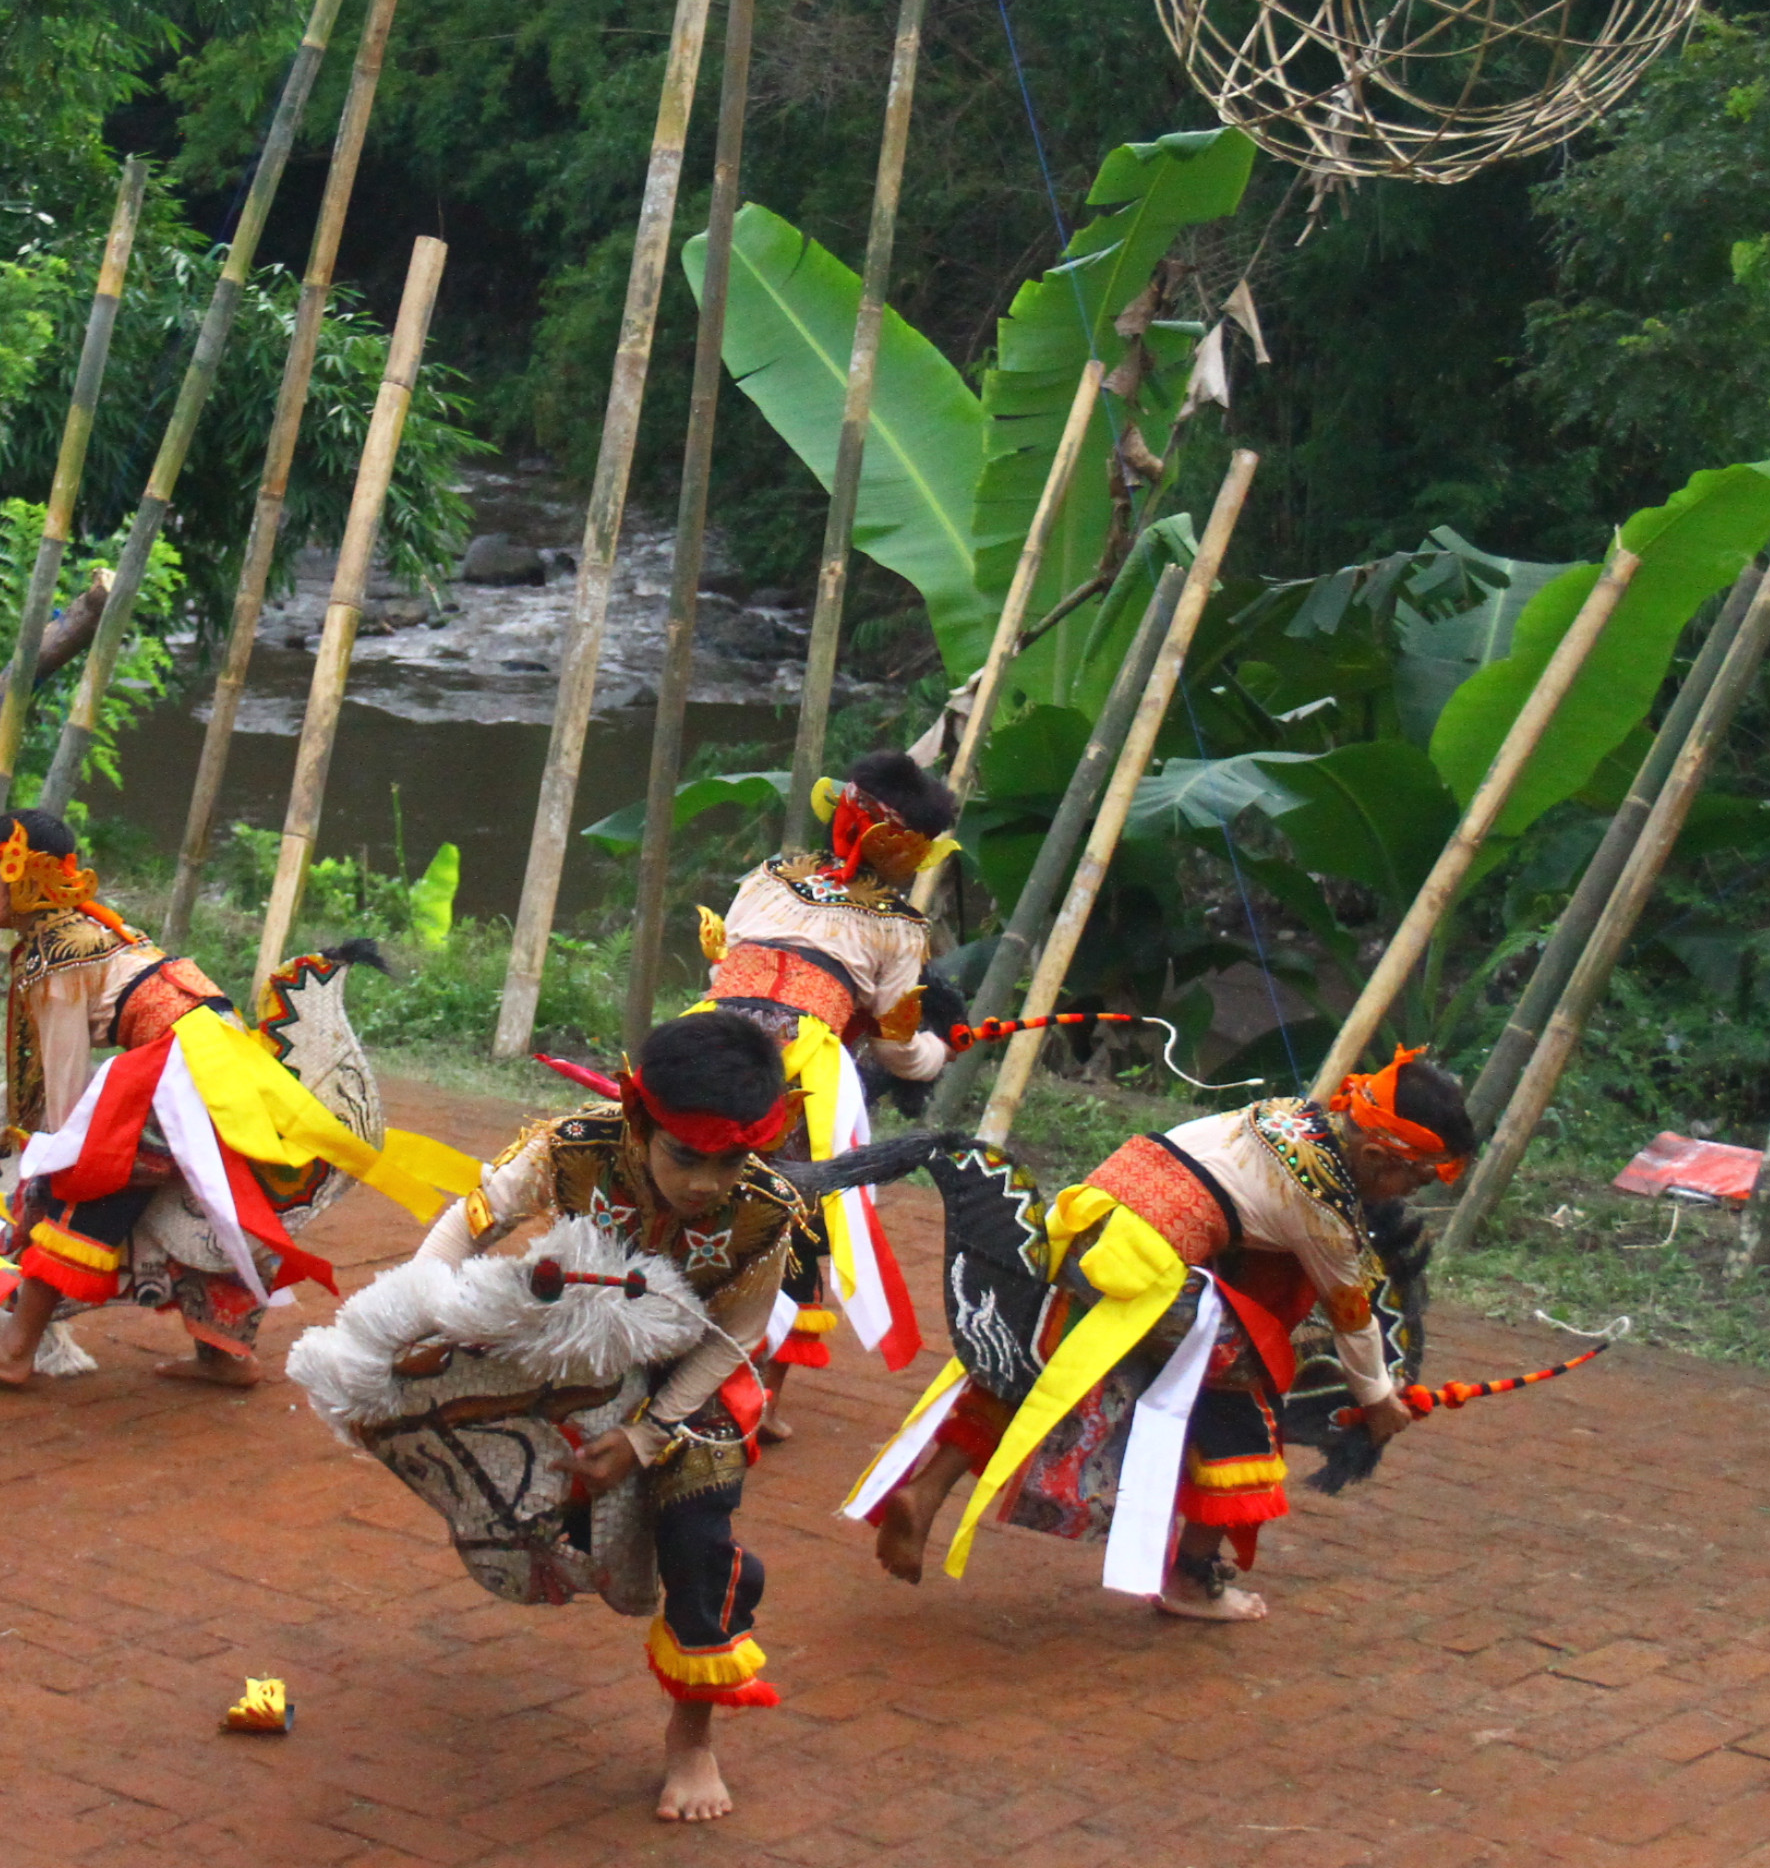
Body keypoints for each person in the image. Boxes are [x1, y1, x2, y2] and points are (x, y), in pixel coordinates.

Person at [853, 1049, 1469, 1621]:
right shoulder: (1324, 1204)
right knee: (1253, 1377)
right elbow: (1352, 1315)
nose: (1407, 1197)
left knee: (1045, 1367)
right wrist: (1377, 1400)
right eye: (1411, 1183)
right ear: (1376, 1157)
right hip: (1146, 1272)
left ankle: (928, 1492)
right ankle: (1192, 1577)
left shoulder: (1287, 1113)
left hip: (1088, 1218)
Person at [414, 1013, 803, 1824]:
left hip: (687, 1375)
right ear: (638, 1120)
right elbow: (468, 1224)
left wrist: (644, 1435)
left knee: (701, 1542)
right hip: (568, 1333)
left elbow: (737, 1336)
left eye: (728, 1162)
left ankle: (692, 1740)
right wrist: (418, 1314)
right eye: (684, 1156)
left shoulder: (766, 1210)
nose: (704, 1184)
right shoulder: (572, 1147)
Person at [0, 809, 445, 1390]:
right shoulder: (89, 932)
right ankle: (225, 1355)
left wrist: (56, 1153)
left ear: (25, 881)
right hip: (221, 1066)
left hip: (186, 1074)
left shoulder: (60, 953)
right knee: (206, 1204)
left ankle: (15, 1349)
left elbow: (63, 1085)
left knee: (81, 1179)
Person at [697, 749, 963, 1421]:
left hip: (710, 1031)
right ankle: (761, 1396)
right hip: (805, 1062)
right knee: (802, 1211)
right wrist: (935, 1054)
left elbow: (722, 965)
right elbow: (898, 1050)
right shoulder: (898, 925)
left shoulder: (769, 874)